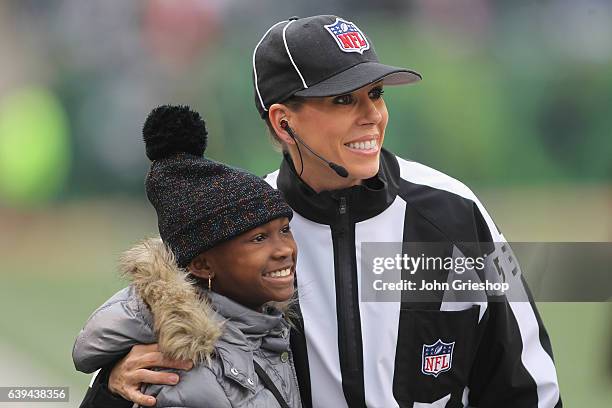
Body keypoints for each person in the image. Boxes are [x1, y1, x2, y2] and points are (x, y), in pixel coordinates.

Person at [78, 15, 562, 408]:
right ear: (283, 122)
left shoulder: (455, 212)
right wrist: (114, 383)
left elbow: (526, 386)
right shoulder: (235, 234)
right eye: (343, 99)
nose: (371, 114)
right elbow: (165, 354)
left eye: (376, 93)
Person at [73, 105, 301, 408]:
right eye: (259, 238)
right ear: (202, 264)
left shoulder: (261, 326)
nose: (284, 249)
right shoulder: (181, 374)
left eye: (285, 230)